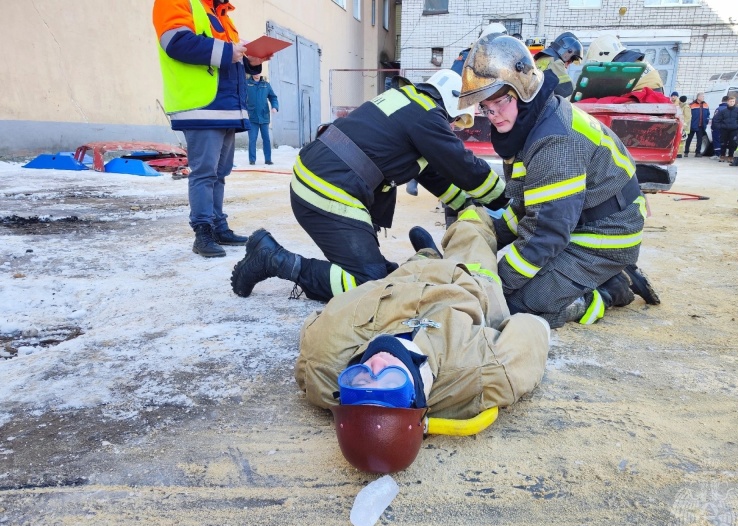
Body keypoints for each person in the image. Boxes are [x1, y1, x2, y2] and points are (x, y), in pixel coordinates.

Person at [295, 207, 550, 473]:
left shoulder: (319, 360)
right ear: (416, 399)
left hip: (401, 281)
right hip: (465, 279)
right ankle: (464, 223)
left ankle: (425, 254)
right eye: (390, 383)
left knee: (414, 265)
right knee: (471, 227)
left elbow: (313, 329)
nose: (375, 367)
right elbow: (533, 331)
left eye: (360, 381)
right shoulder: (483, 370)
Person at [230, 69, 506, 302]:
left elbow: (432, 173)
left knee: (379, 271)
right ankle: (273, 259)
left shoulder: (407, 102)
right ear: (452, 103)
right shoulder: (427, 115)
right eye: (457, 120)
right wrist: (503, 201)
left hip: (321, 180)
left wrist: (467, 205)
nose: (455, 127)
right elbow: (464, 166)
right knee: (369, 285)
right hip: (328, 190)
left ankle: (363, 264)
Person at [458, 34, 659, 329]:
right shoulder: (534, 120)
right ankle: (599, 276)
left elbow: (546, 234)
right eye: (485, 108)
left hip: (605, 234)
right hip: (580, 222)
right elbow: (529, 206)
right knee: (512, 287)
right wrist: (488, 235)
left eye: (499, 102)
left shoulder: (554, 141)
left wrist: (496, 284)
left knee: (514, 308)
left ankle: (606, 291)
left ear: (523, 88)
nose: (493, 115)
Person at [153, 0, 263, 258]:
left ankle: (217, 226)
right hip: (201, 105)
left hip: (225, 106)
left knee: (220, 172)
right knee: (204, 173)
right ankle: (202, 232)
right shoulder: (175, 2)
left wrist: (252, 61)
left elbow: (232, 59)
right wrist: (228, 51)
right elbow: (175, 43)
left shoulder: (220, 13)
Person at [585, 34, 664, 93]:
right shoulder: (633, 58)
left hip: (641, 100)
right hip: (657, 96)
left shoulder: (618, 66)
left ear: (604, 54)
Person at [534, 32, 583, 98]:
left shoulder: (543, 58)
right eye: (570, 60)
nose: (568, 65)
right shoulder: (556, 62)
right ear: (568, 52)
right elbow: (568, 90)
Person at [245, 72, 279, 165]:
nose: (256, 74)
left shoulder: (266, 85)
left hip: (264, 116)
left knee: (266, 139)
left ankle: (268, 159)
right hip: (252, 116)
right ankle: (252, 160)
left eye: (258, 72)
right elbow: (242, 98)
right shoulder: (246, 84)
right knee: (252, 139)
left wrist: (274, 107)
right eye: (254, 71)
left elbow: (273, 97)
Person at [712, 96, 738, 163]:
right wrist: (720, 127)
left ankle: (730, 157)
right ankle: (722, 156)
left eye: (733, 101)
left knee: (732, 144)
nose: (731, 103)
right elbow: (716, 120)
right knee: (723, 143)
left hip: (734, 130)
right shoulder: (723, 111)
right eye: (730, 101)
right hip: (724, 129)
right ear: (727, 102)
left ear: (735, 102)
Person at [684, 93, 710, 157]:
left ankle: (698, 152)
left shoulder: (706, 105)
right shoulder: (691, 105)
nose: (703, 97)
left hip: (701, 125)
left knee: (700, 140)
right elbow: (688, 114)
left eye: (704, 96)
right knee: (689, 139)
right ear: (698, 97)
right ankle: (686, 151)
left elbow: (708, 114)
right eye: (702, 96)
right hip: (692, 125)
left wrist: (706, 121)